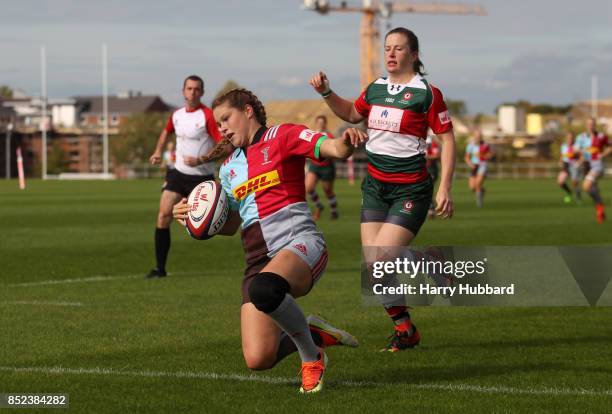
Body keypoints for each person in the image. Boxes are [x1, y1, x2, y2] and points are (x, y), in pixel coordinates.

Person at [173, 89, 366, 393]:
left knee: (264, 288)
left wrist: (346, 140)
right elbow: (231, 224)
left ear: (247, 111)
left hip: (299, 243)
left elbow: (333, 149)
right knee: (258, 358)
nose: (221, 128)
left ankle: (311, 357)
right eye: (218, 122)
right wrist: (193, 219)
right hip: (257, 258)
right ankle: (311, 331)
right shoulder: (229, 169)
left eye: (226, 119)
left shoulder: (283, 136)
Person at [310, 27, 456, 352]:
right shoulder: (375, 88)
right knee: (374, 269)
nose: (390, 53)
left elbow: (447, 139)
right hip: (376, 187)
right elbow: (350, 113)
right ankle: (406, 330)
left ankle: (429, 261)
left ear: (414, 55)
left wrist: (445, 186)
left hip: (410, 191)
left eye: (398, 48)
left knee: (381, 260)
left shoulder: (427, 93)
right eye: (387, 47)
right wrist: (326, 92)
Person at [146, 75, 225, 279]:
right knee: (163, 215)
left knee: (214, 224)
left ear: (202, 92)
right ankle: (160, 269)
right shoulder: (177, 115)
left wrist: (201, 159)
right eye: (189, 88)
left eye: (197, 89)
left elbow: (223, 144)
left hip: (202, 178)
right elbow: (166, 132)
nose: (193, 92)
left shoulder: (207, 115)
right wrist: (157, 151)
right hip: (178, 174)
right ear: (183, 91)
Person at [575, 118, 611, 222]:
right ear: (586, 125)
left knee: (586, 186)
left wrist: (602, 154)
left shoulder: (601, 136)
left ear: (595, 125)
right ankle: (600, 210)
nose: (590, 126)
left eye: (592, 124)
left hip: (597, 166)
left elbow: (610, 146)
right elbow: (577, 149)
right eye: (588, 124)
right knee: (593, 189)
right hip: (586, 166)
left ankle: (600, 206)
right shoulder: (581, 137)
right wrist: (581, 156)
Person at [305, 115, 339, 220]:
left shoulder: (329, 135)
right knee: (308, 188)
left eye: (322, 122)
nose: (320, 124)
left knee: (327, 190)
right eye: (318, 122)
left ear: (325, 123)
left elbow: (334, 150)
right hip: (314, 165)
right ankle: (319, 206)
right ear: (316, 123)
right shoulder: (312, 134)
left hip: (327, 167)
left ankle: (334, 211)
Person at [465, 130, 492, 208]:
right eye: (477, 136)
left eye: (479, 136)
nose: (478, 138)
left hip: (483, 165)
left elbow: (490, 155)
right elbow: (467, 157)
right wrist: (470, 164)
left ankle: (479, 204)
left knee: (478, 184)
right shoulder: (470, 145)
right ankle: (482, 191)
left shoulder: (485, 145)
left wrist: (485, 156)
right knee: (472, 187)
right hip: (474, 166)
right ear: (474, 136)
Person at [557, 132, 581, 203]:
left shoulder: (576, 146)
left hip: (574, 165)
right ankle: (569, 192)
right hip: (566, 165)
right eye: (568, 138)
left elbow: (581, 156)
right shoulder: (563, 146)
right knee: (560, 182)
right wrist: (560, 161)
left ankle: (578, 198)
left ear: (573, 139)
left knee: (574, 183)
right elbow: (562, 155)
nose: (569, 139)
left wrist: (578, 162)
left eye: (571, 138)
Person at [425, 133, 441, 217]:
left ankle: (431, 208)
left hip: (432, 169)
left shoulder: (433, 143)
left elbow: (437, 155)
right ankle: (430, 206)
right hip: (422, 168)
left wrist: (426, 157)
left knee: (427, 187)